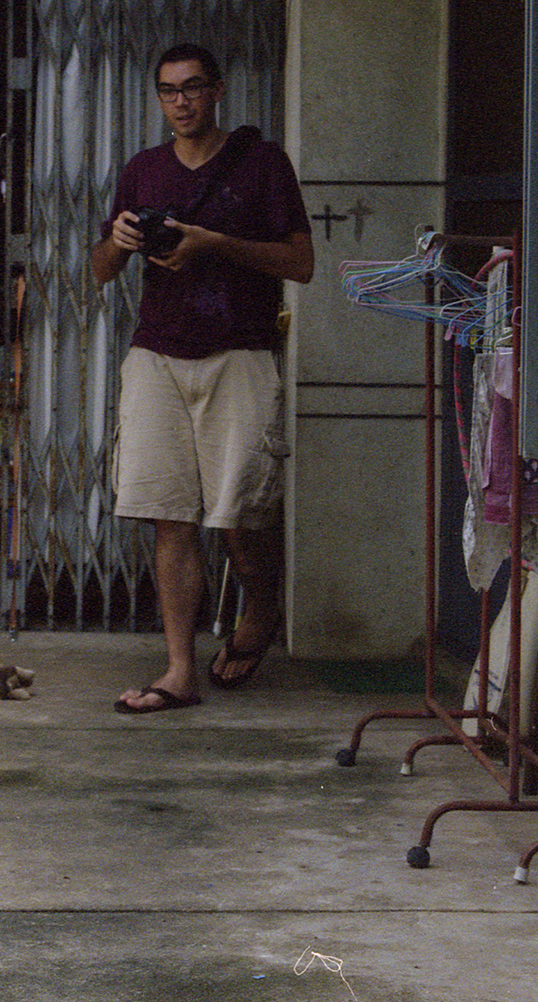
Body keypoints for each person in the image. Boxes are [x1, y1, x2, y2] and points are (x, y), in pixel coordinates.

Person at [90, 43, 313, 713]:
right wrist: (120, 241)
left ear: (217, 90)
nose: (180, 101)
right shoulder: (144, 170)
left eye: (191, 88)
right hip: (157, 354)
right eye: (168, 91)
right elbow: (99, 271)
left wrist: (214, 242)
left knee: (240, 517)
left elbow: (300, 264)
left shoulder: (262, 165)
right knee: (170, 518)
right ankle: (179, 671)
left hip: (238, 353)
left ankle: (261, 607)